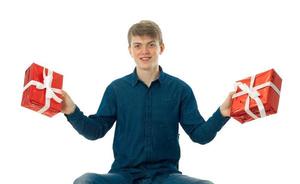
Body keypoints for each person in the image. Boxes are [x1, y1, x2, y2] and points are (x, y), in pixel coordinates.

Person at [61, 20, 233, 184]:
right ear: (130, 50)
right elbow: (95, 131)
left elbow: (199, 135)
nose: (145, 51)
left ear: (161, 48)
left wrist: (222, 114)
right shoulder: (116, 89)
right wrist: (71, 110)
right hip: (123, 176)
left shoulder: (180, 90)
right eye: (138, 45)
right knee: (85, 181)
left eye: (151, 44)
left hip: (165, 176)